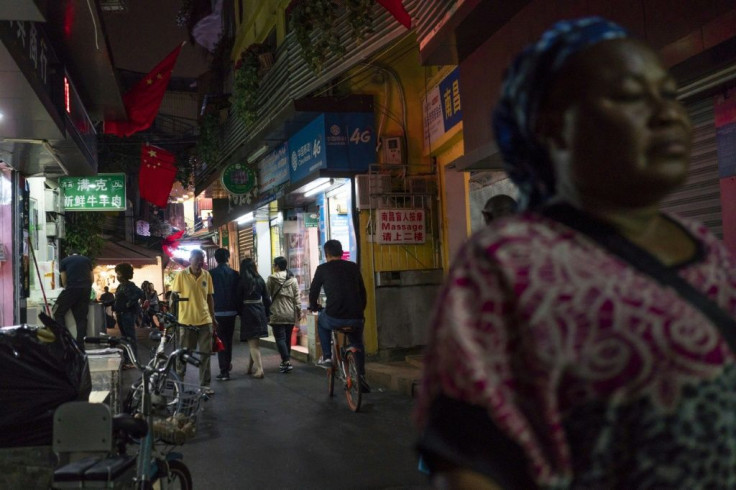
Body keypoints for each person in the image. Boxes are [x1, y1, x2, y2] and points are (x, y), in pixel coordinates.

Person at [414, 17, 736, 489]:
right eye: (630, 97)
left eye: (668, 94)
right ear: (554, 129)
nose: (667, 113)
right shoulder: (505, 265)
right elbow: (466, 457)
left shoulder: (702, 244)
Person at [309, 239, 370, 392]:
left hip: (334, 316)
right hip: (356, 316)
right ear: (342, 253)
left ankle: (328, 357)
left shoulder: (322, 269)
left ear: (326, 254)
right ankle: (361, 377)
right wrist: (359, 311)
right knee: (357, 343)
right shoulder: (353, 267)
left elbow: (313, 292)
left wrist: (314, 306)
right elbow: (363, 292)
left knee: (322, 323)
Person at [170, 249, 218, 396]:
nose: (199, 262)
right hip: (186, 322)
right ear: (190, 259)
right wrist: (173, 319)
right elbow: (173, 297)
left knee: (205, 355)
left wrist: (213, 317)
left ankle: (205, 386)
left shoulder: (206, 275)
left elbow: (209, 298)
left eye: (201, 259)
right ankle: (179, 383)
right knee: (183, 355)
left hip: (205, 322)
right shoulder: (181, 275)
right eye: (197, 259)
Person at [237, 258, 271, 379]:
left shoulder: (241, 281)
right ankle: (250, 367)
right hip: (259, 310)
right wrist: (268, 314)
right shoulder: (260, 279)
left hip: (248, 311)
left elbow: (238, 299)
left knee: (253, 344)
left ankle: (260, 369)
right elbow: (267, 299)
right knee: (254, 341)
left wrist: (239, 313)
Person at [210, 248, 240, 381]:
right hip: (232, 312)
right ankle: (227, 366)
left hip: (217, 312)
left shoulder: (210, 274)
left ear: (216, 259)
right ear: (228, 257)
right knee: (229, 340)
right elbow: (238, 293)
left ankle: (224, 370)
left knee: (221, 340)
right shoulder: (235, 274)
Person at [53, 250, 94, 349]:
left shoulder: (65, 261)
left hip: (71, 288)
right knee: (81, 318)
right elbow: (92, 278)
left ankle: (65, 340)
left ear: (68, 254)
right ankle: (80, 344)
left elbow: (64, 279)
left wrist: (68, 289)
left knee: (57, 312)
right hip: (85, 290)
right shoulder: (87, 260)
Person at [267, 256, 301, 373]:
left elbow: (267, 295)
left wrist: (266, 311)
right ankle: (285, 362)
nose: (273, 267)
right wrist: (299, 311)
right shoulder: (293, 280)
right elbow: (297, 297)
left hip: (277, 312)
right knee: (286, 339)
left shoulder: (271, 278)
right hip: (290, 312)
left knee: (280, 338)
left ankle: (286, 361)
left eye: (273, 265)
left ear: (277, 266)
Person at [112, 263, 144, 369]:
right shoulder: (121, 286)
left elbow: (140, 293)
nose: (117, 276)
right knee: (125, 339)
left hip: (127, 314)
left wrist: (129, 303)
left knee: (130, 338)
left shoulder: (130, 285)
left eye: (119, 274)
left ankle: (132, 360)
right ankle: (127, 359)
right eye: (117, 274)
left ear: (124, 274)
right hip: (120, 314)